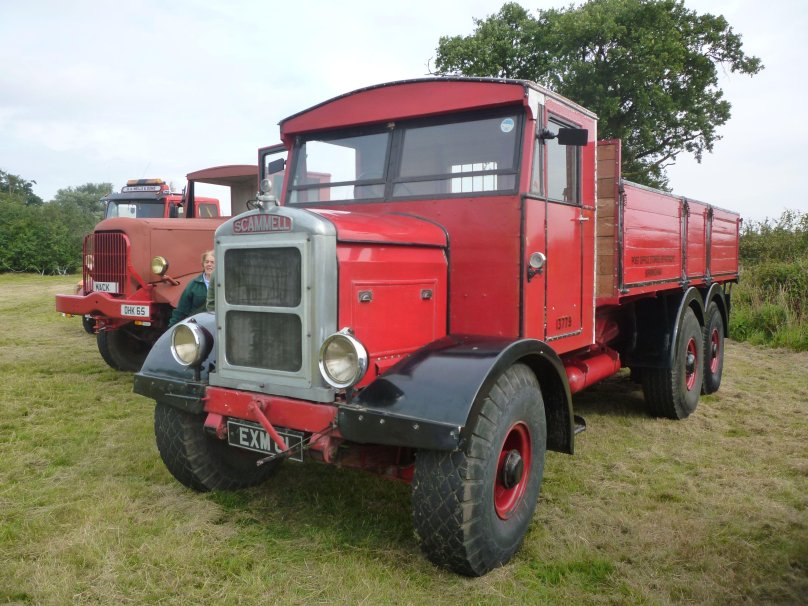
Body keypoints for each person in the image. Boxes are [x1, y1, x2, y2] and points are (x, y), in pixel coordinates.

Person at [168, 250, 214, 327]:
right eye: (207, 262)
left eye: (212, 262)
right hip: (198, 326)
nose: (209, 264)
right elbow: (181, 310)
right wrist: (171, 328)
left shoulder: (225, 284)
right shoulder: (194, 284)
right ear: (203, 264)